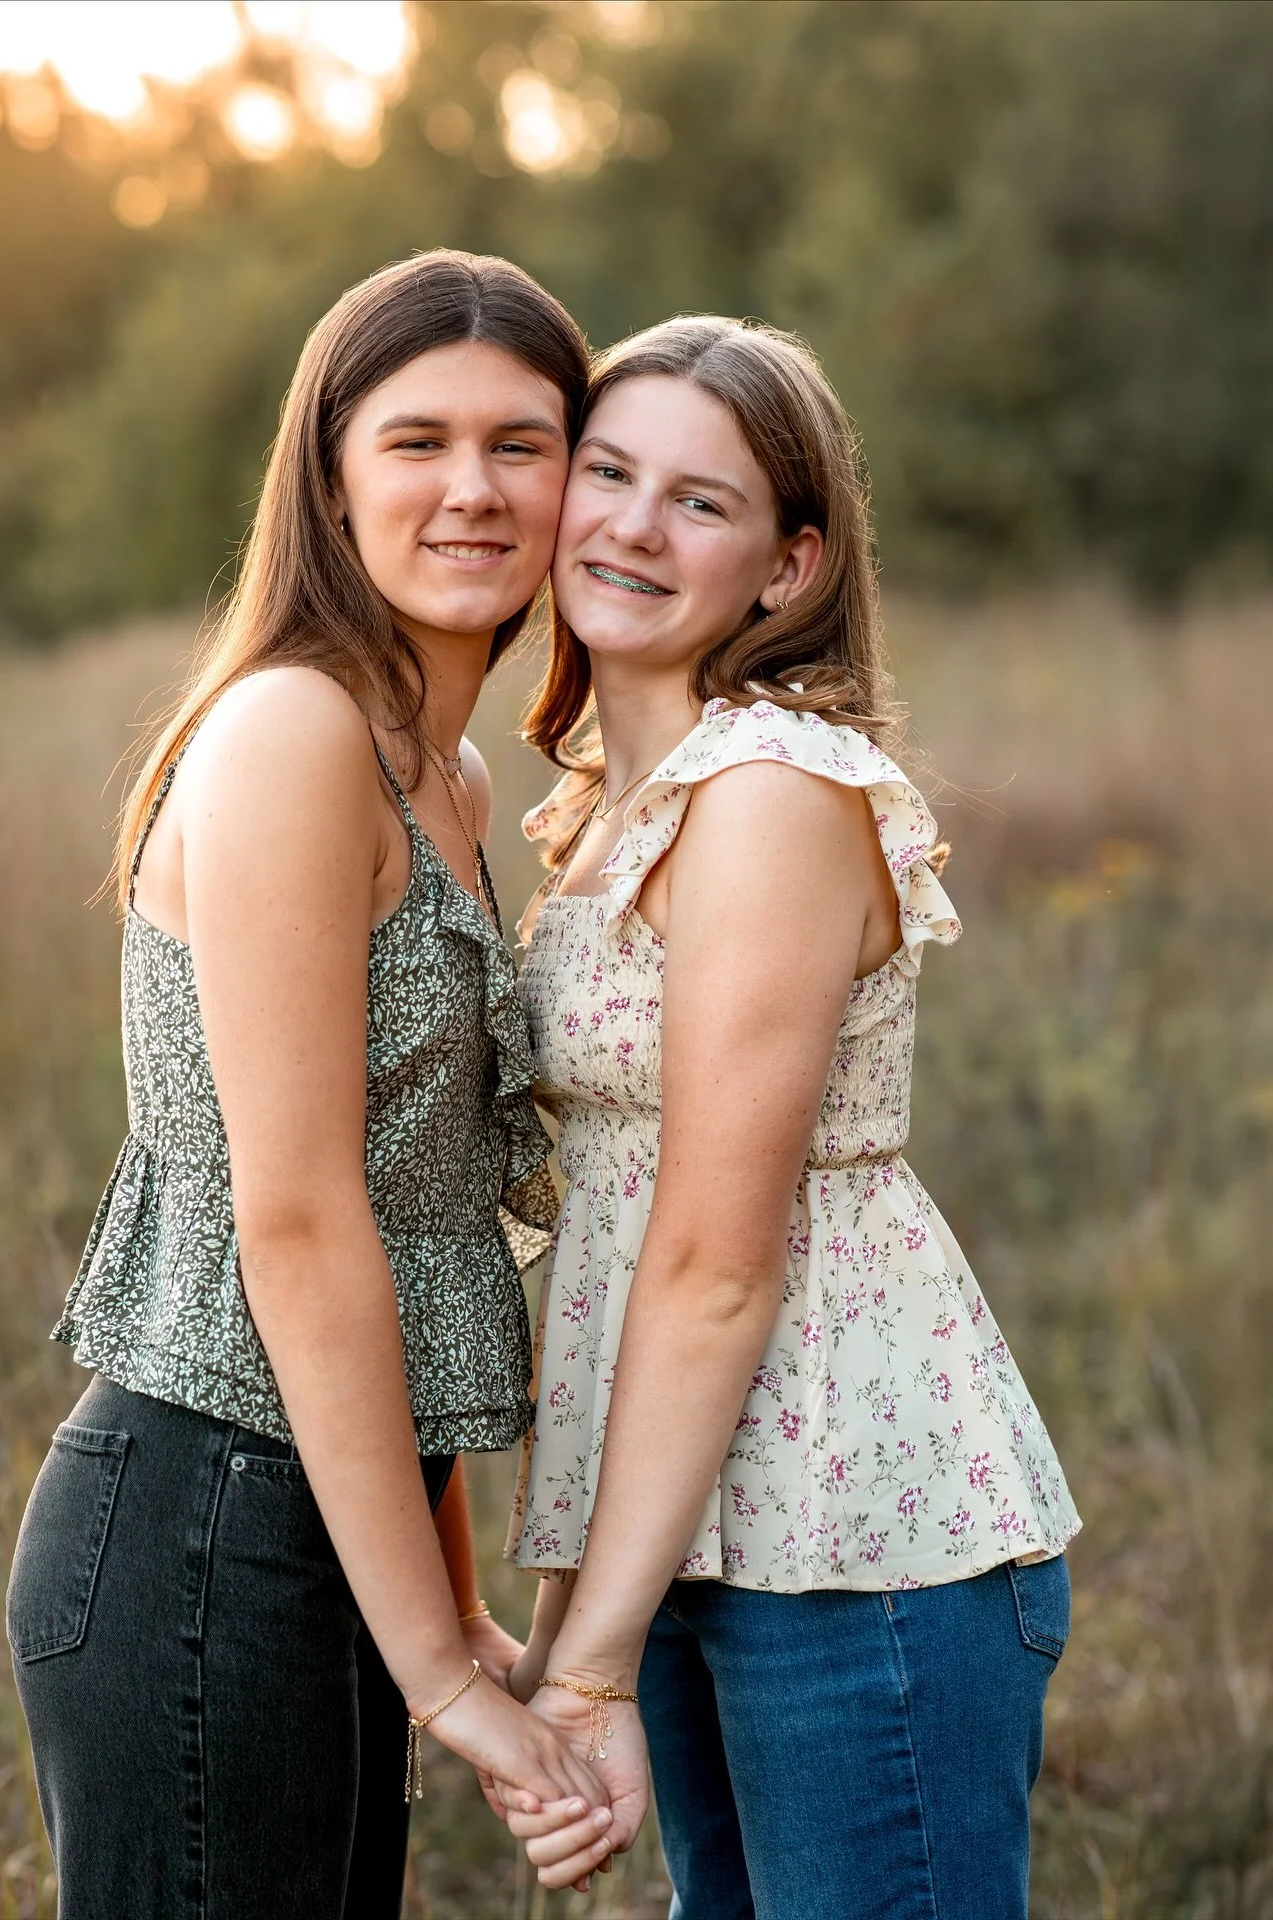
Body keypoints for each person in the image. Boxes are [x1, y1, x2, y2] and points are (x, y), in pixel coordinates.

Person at [6, 251, 615, 1919]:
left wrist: (453, 1610)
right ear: (333, 480)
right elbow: (299, 1225)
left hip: (342, 1524)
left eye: (521, 443)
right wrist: (443, 1677)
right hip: (204, 1525)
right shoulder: (294, 733)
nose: (474, 488)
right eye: (418, 441)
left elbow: (418, 1235)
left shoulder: (451, 775)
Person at [498, 316, 1083, 1912]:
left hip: (853, 1529)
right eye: (609, 473)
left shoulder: (768, 791)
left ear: (789, 564)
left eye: (700, 501)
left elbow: (712, 1262)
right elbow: (620, 1241)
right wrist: (572, 1620)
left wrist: (589, 1666)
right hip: (687, 1524)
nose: (632, 524)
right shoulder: (608, 806)